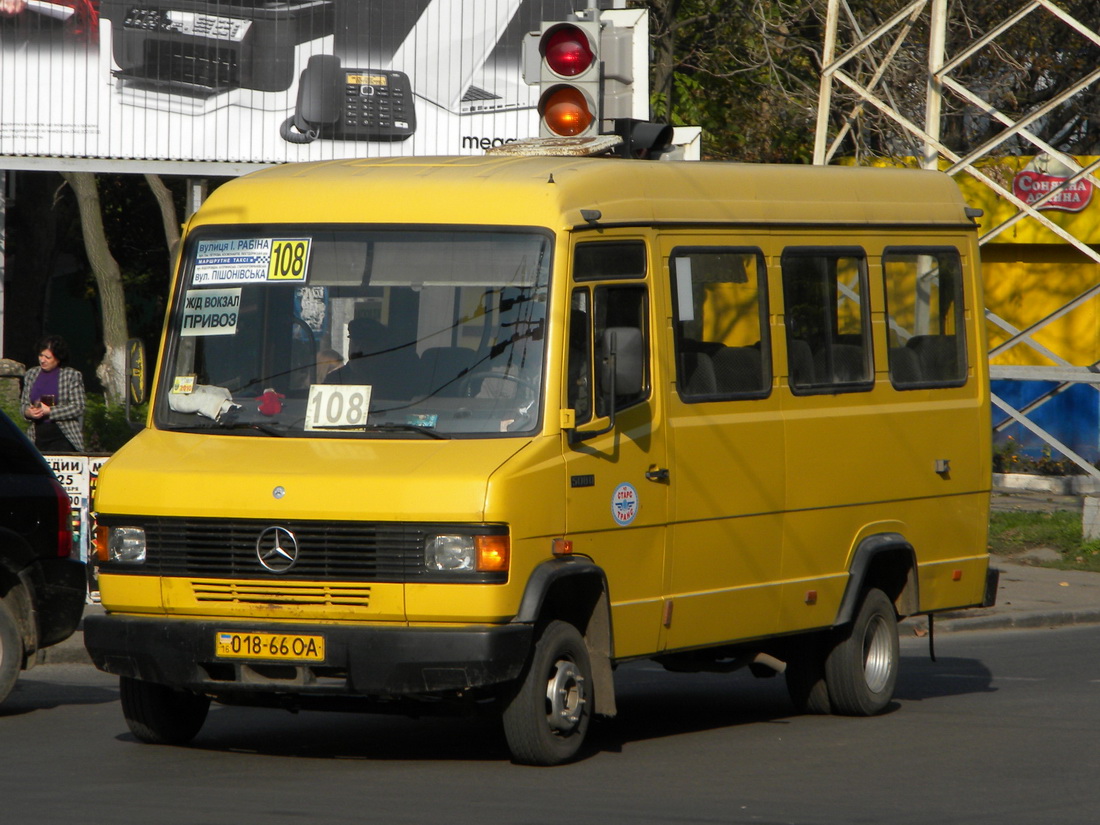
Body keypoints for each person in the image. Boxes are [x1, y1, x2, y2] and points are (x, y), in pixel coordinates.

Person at [21, 334, 85, 453]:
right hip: (36, 436)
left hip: (62, 436)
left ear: (58, 358)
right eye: (41, 355)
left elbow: (78, 407)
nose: (42, 360)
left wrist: (50, 411)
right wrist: (28, 412)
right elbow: (24, 404)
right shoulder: (31, 374)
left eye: (47, 357)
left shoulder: (71, 375)